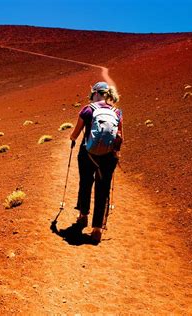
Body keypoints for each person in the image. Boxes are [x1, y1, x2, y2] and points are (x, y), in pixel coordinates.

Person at [69, 82, 123, 243]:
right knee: (103, 188)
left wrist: (72, 139)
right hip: (108, 156)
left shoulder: (87, 110)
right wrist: (114, 154)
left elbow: (75, 134)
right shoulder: (117, 112)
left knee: (85, 182)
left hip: (87, 154)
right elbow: (121, 138)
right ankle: (97, 228)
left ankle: (83, 216)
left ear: (94, 94)